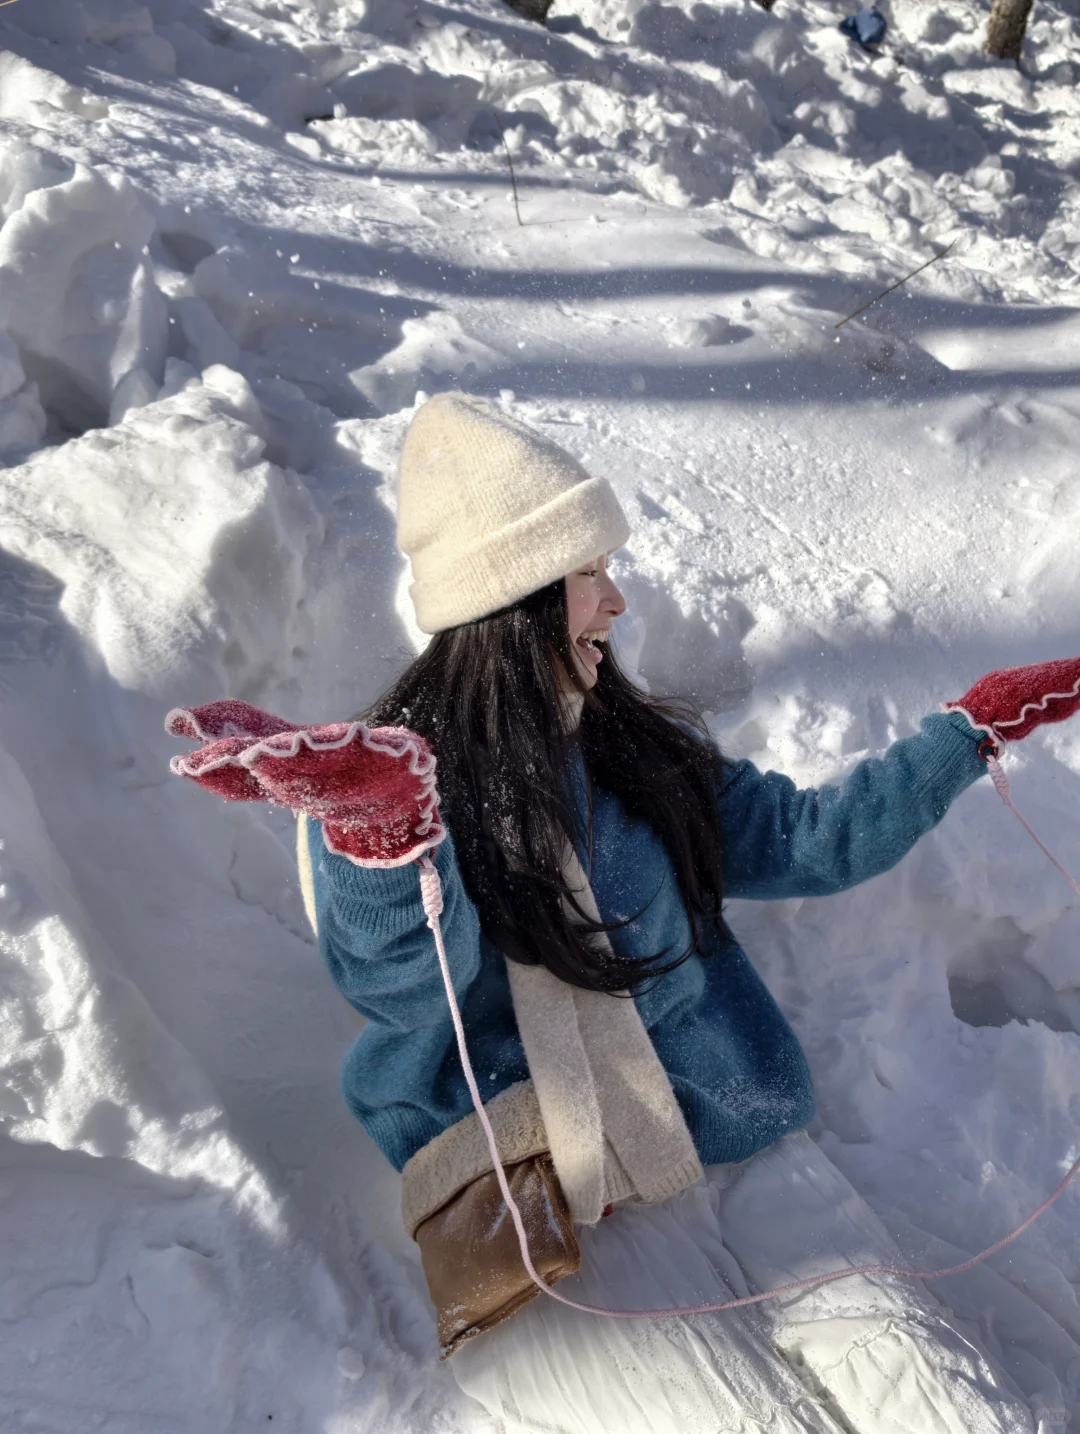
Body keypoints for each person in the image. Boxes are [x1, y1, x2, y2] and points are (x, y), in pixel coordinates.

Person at [170, 392, 1080, 1433]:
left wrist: (962, 735)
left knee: (949, 1402)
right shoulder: (393, 781)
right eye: (589, 573)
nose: (616, 601)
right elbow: (409, 994)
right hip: (547, 1200)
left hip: (728, 1140)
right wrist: (384, 845)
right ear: (515, 597)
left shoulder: (631, 749)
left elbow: (807, 841)